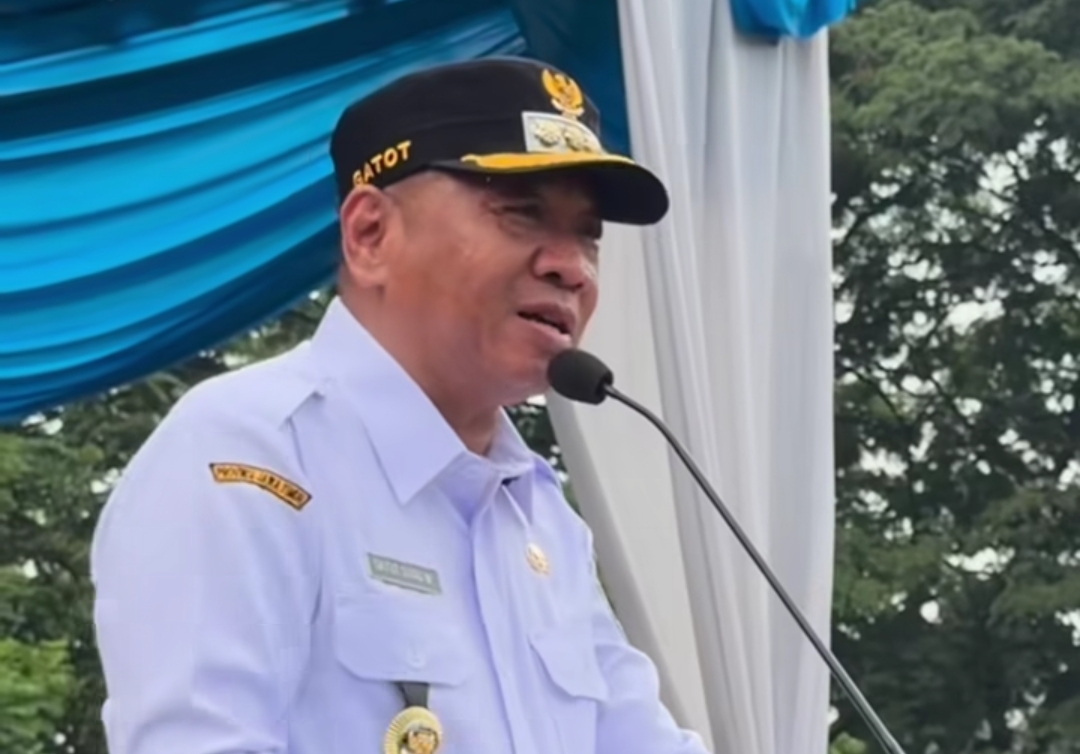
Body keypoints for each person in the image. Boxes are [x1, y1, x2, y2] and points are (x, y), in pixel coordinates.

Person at [90, 56, 709, 754]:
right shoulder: (249, 453)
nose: (572, 266)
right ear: (371, 236)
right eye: (521, 212)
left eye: (589, 234)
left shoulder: (540, 514)